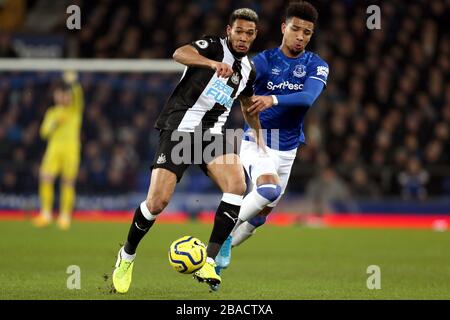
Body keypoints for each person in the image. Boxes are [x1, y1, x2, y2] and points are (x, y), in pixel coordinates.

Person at [112, 8, 265, 293]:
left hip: (210, 135)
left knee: (236, 185)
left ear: (255, 36)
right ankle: (126, 256)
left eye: (250, 33)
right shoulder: (212, 46)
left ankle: (208, 259)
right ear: (228, 30)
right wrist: (210, 64)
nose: (244, 38)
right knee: (157, 203)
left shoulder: (249, 71)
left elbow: (246, 105)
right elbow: (179, 53)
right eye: (239, 31)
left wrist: (259, 136)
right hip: (179, 128)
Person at [214, 1, 329, 287]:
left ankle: (214, 262)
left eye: (307, 32)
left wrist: (272, 98)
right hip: (258, 141)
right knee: (267, 189)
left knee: (259, 218)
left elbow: (307, 98)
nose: (301, 36)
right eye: (296, 29)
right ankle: (221, 236)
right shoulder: (263, 62)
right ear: (283, 28)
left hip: (288, 151)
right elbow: (241, 91)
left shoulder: (317, 65)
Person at [32, 71, 83, 230]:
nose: (63, 98)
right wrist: (54, 124)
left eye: (66, 95)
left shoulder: (74, 111)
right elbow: (43, 132)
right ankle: (46, 213)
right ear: (55, 96)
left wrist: (74, 84)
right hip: (53, 151)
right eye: (60, 95)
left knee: (68, 182)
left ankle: (65, 216)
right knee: (46, 178)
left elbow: (78, 97)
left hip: (71, 151)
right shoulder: (51, 113)